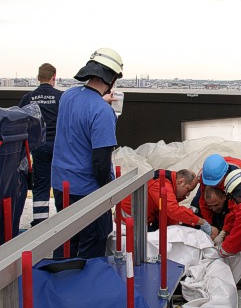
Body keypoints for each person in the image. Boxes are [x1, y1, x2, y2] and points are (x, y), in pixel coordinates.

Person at [51, 47, 123, 258]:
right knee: (90, 250)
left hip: (61, 186)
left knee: (65, 243)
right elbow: (101, 163)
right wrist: (107, 192)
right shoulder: (103, 112)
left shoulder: (68, 96)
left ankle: (61, 286)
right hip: (87, 192)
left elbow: (81, 114)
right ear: (111, 79)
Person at [19, 63, 63, 226]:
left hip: (38, 147)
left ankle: (40, 222)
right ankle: (64, 220)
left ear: (38, 78)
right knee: (60, 184)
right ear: (54, 77)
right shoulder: (61, 97)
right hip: (58, 147)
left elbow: (20, 121)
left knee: (41, 184)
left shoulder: (28, 98)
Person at [121, 169, 218, 236]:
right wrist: (201, 222)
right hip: (129, 220)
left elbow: (167, 213)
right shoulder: (162, 183)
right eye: (188, 189)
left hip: (142, 218)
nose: (188, 195)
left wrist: (181, 224)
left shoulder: (167, 182)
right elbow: (172, 210)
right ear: (181, 181)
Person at [194, 154, 241, 233]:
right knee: (196, 205)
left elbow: (235, 209)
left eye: (216, 183)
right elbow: (203, 202)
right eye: (211, 183)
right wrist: (209, 225)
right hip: (220, 179)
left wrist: (225, 230)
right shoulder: (205, 177)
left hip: (237, 183)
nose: (213, 186)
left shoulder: (238, 180)